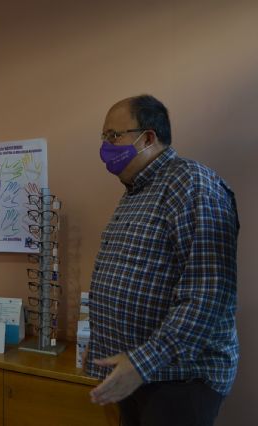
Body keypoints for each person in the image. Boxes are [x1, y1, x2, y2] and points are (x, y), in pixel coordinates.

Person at [85, 95, 239, 426]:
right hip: (137, 374)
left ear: (148, 138)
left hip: (178, 379)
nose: (106, 147)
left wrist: (143, 362)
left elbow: (209, 293)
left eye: (113, 136)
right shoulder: (136, 192)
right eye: (104, 138)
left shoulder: (190, 182)